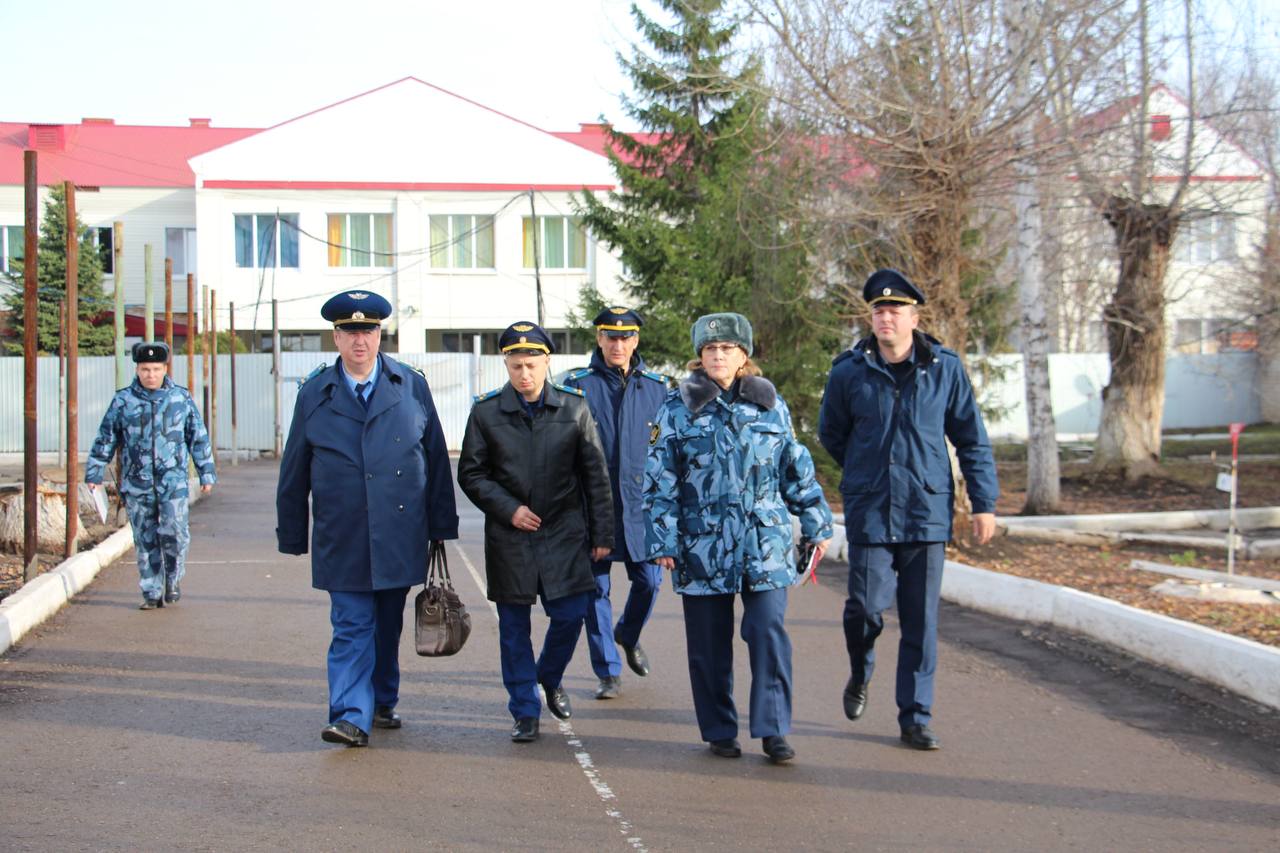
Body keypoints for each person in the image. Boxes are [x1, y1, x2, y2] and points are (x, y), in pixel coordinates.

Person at [818, 269, 999, 751]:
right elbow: (831, 433)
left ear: (914, 317)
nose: (886, 317)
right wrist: (864, 470)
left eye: (895, 309)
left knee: (920, 620)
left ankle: (915, 715)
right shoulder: (848, 371)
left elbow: (970, 438)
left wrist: (984, 503)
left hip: (925, 510)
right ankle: (861, 670)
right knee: (864, 608)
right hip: (872, 510)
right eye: (878, 309)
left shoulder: (944, 369)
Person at [646, 313, 833, 764]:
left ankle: (773, 729)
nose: (717, 356)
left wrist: (815, 521)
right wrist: (664, 539)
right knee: (708, 645)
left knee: (768, 631)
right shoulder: (677, 408)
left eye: (726, 349)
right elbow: (659, 477)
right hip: (702, 543)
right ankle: (719, 729)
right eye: (710, 350)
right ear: (700, 356)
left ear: (743, 355)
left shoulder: (770, 405)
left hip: (762, 543)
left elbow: (795, 466)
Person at [276, 290, 458, 749]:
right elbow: (294, 467)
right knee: (351, 624)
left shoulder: (410, 385)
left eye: (369, 331)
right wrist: (293, 532)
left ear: (381, 334)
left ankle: (382, 698)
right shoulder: (315, 393)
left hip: (399, 532)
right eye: (351, 331)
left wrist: (441, 526)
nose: (361, 340)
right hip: (344, 533)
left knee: (387, 622)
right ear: (336, 337)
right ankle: (350, 715)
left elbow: (435, 457)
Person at [457, 321, 613, 743]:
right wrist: (509, 510)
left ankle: (547, 676)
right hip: (511, 537)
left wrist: (603, 536)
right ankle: (524, 710)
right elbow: (471, 474)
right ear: (505, 364)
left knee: (570, 615)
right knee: (513, 629)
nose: (524, 375)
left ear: (547, 363)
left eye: (531, 365)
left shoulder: (574, 409)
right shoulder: (486, 412)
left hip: (564, 532)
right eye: (516, 366)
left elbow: (595, 476)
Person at [563, 307, 670, 700]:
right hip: (594, 505)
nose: (618, 344)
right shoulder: (577, 386)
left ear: (636, 341)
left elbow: (668, 452)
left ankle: (628, 633)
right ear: (599, 339)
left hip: (641, 508)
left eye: (626, 338)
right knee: (596, 591)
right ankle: (607, 670)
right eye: (610, 336)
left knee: (650, 580)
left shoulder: (659, 388)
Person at [86, 341, 215, 610]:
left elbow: (198, 436)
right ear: (138, 369)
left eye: (156, 369)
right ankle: (151, 591)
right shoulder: (123, 401)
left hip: (173, 482)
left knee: (175, 532)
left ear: (165, 368)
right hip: (137, 483)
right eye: (145, 369)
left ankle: (173, 578)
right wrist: (95, 471)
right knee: (145, 538)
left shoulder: (180, 398)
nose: (151, 375)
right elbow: (106, 438)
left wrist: (206, 472)